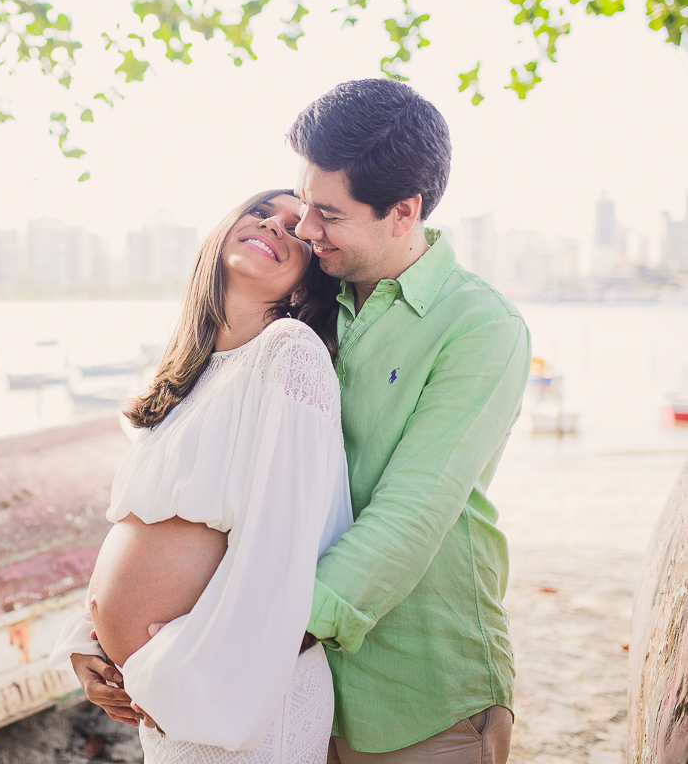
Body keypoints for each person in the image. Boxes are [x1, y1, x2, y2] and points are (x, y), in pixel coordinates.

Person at [69, 79, 530, 764]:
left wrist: (212, 651)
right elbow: (220, 497)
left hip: (414, 684)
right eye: (302, 206)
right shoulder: (306, 305)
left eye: (328, 215)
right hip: (280, 675)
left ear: (404, 212)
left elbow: (408, 516)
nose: (306, 231)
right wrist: (102, 629)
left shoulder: (481, 328)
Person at [50, 188, 354, 763]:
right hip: (160, 690)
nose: (275, 225)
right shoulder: (183, 382)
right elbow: (142, 531)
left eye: (297, 227)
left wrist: (172, 666)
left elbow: (283, 549)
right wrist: (87, 640)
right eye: (262, 211)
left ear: (303, 284)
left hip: (227, 687)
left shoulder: (288, 353)